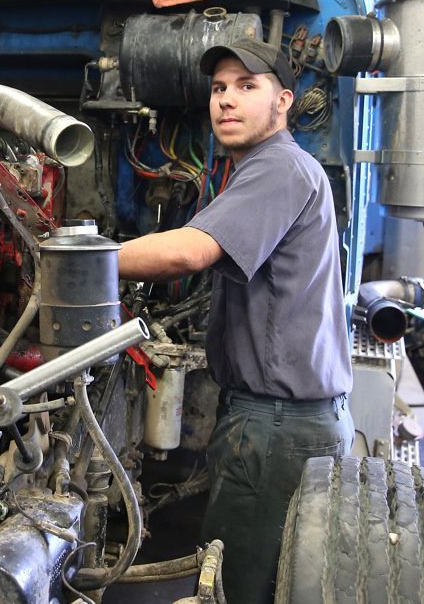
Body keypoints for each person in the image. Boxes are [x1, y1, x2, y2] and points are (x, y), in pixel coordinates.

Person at [118, 39, 354, 604]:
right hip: (276, 420)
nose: (227, 100)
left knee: (237, 587)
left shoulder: (281, 169)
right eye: (220, 88)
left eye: (248, 86)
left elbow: (187, 253)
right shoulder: (270, 170)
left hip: (275, 426)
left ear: (284, 102)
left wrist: (75, 257)